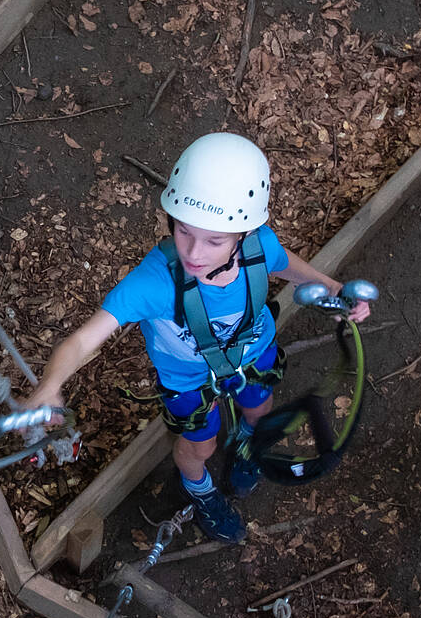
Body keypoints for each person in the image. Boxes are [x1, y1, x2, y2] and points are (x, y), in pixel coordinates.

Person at [24, 133, 369, 543]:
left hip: (253, 353)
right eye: (184, 232)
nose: (194, 252)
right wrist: (50, 385)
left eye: (214, 241)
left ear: (243, 233)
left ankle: (246, 446)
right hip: (188, 380)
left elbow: (283, 263)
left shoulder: (258, 249)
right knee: (199, 447)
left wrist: (329, 285)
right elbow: (83, 340)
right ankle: (200, 490)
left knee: (259, 409)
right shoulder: (154, 284)